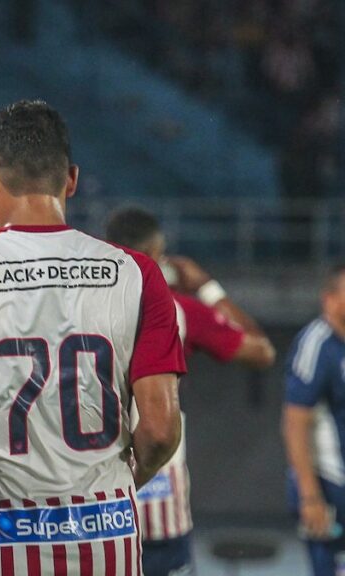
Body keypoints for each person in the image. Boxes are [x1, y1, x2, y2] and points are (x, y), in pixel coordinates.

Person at [0, 100, 185, 574]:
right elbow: (159, 429)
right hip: (105, 538)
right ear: (70, 179)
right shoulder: (136, 273)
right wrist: (126, 480)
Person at [107, 206, 276, 575]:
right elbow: (261, 351)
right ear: (158, 256)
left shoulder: (77, 306)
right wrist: (205, 286)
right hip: (159, 500)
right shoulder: (178, 309)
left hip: (90, 502)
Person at [283, 265, 345, 576]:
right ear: (330, 299)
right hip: (330, 485)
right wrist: (310, 496)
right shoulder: (316, 344)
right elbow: (295, 423)